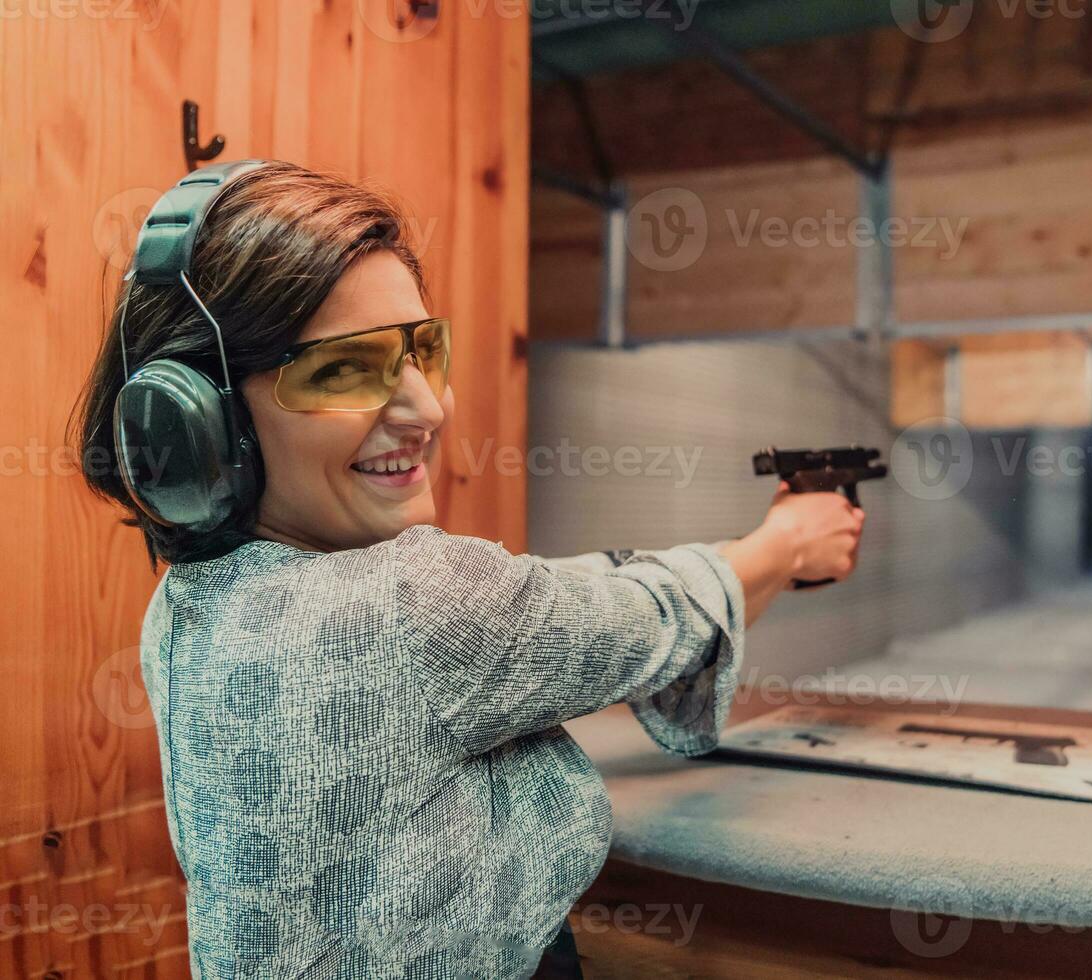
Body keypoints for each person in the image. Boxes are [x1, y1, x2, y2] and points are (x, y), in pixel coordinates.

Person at [69, 161, 864, 978]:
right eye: (346, 368)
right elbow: (629, 619)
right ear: (198, 422)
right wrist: (785, 546)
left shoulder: (187, 607)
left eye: (422, 351)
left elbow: (529, 606)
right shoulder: (417, 605)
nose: (427, 408)